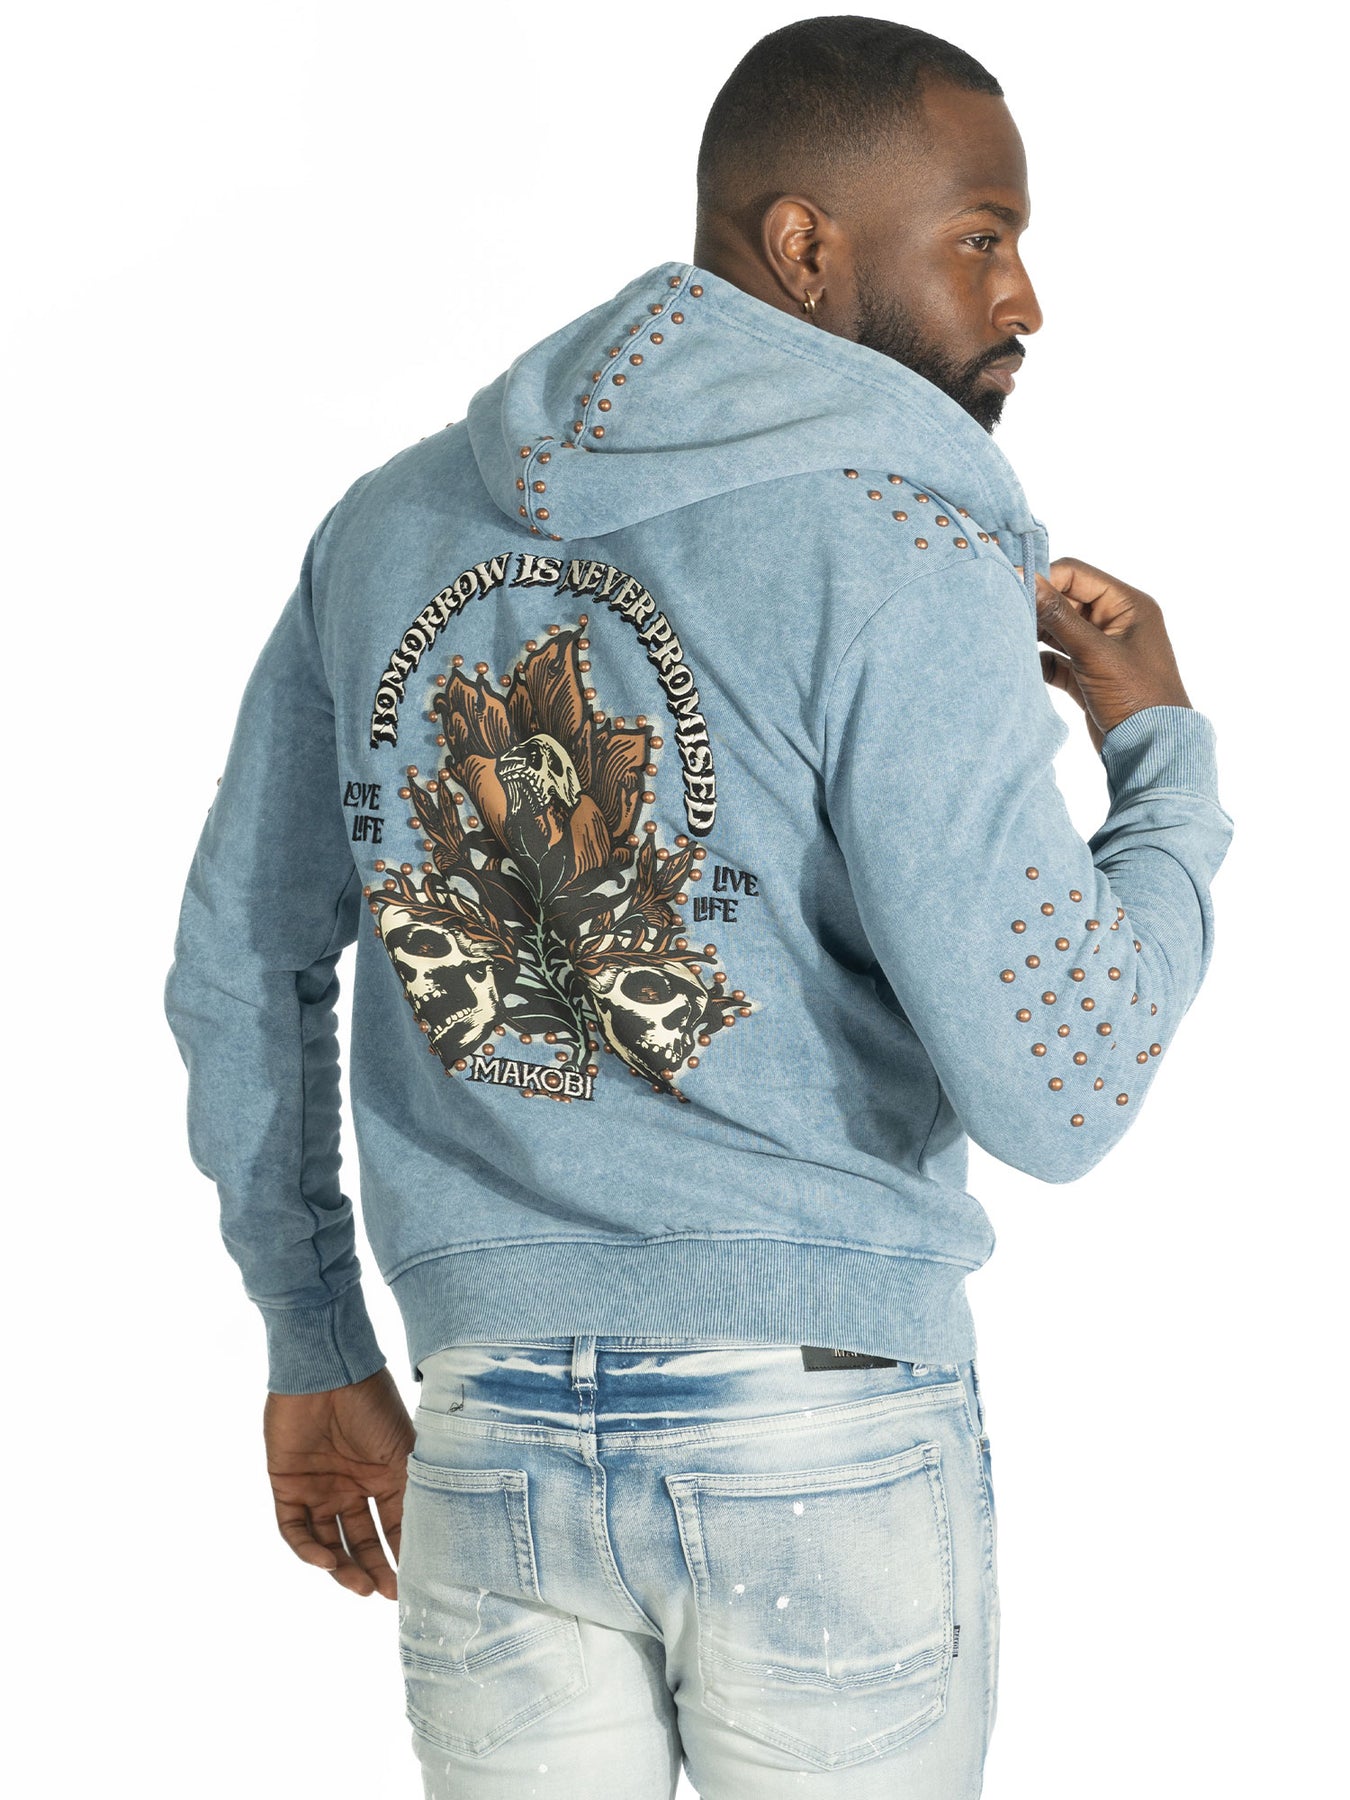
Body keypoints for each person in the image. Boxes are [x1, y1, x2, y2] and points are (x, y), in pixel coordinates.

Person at [163, 15, 1234, 1797]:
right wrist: (1164, 767)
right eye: (979, 236)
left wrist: (310, 1336)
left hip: (488, 1431)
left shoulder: (387, 526)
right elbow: (1064, 1086)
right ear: (804, 244)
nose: (1024, 299)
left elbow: (241, 956)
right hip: (815, 1427)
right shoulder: (896, 541)